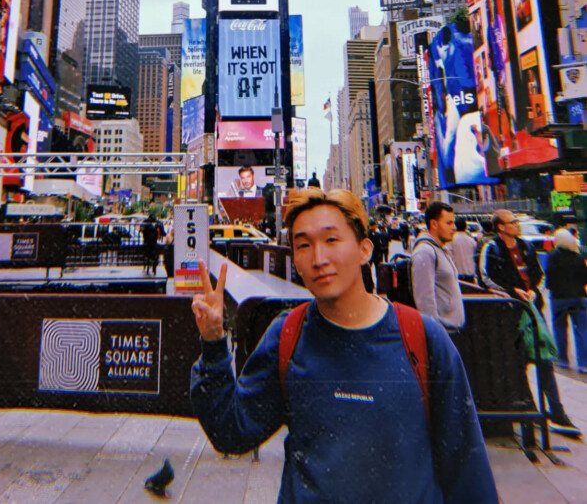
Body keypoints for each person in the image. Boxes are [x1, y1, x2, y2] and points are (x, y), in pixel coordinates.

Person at [190, 189, 497, 503]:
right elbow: (232, 431)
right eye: (303, 245)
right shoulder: (288, 336)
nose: (319, 259)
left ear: (365, 250)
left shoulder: (422, 338)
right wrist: (213, 343)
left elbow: (467, 469)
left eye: (332, 240)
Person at [479, 210, 581, 437]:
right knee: (518, 362)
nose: (516, 225)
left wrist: (534, 291)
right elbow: (486, 278)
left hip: (532, 311)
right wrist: (511, 292)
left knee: (544, 360)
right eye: (512, 222)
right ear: (500, 227)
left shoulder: (526, 247)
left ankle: (556, 412)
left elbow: (539, 275)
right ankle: (530, 409)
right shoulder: (492, 249)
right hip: (509, 313)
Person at [411, 202, 465, 330]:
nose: (454, 227)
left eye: (453, 223)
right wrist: (436, 332)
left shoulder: (441, 249)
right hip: (443, 331)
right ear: (434, 224)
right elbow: (424, 301)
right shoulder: (426, 252)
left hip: (451, 329)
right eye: (449, 223)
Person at [545, 229, 587, 373]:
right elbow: (584, 278)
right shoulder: (578, 258)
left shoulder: (552, 257)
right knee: (582, 330)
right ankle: (584, 363)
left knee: (560, 328)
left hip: (559, 297)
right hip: (578, 296)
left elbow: (549, 277)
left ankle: (563, 360)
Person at [451, 217, 477, 283]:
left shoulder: (451, 241)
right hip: (470, 274)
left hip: (457, 275)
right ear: (466, 227)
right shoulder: (471, 240)